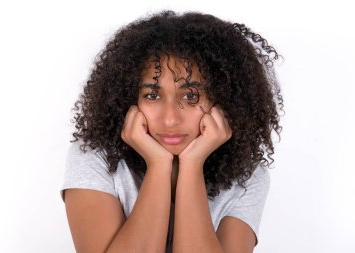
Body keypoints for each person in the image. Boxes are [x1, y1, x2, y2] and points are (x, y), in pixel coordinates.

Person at [60, 10, 283, 253]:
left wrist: (192, 165)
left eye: (191, 96)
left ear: (223, 101)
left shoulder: (246, 177)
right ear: (127, 100)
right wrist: (158, 165)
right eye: (152, 95)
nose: (170, 119)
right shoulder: (95, 158)